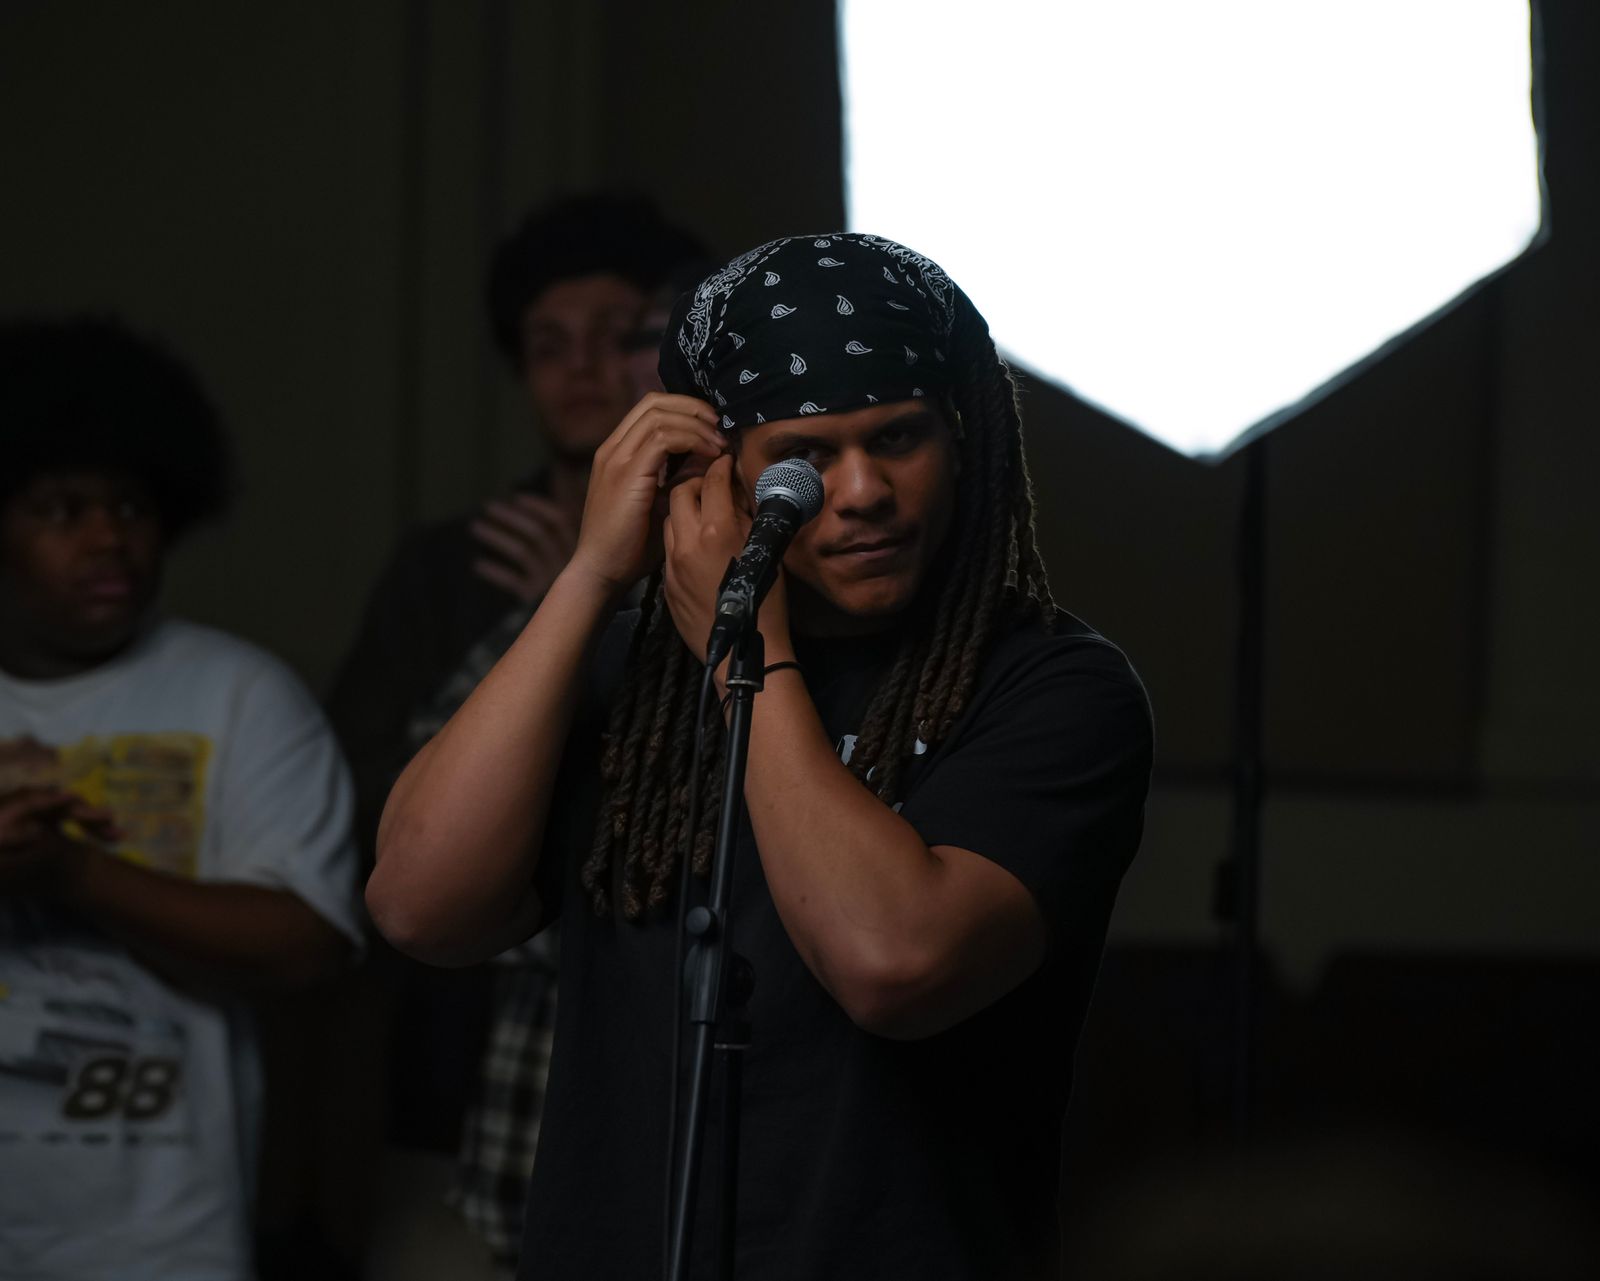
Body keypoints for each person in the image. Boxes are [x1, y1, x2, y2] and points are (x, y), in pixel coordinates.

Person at [367, 233, 1154, 1279]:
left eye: (899, 437)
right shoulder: (630, 671)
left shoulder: (1053, 686)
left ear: (962, 440)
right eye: (805, 456)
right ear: (718, 473)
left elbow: (892, 964)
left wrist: (751, 654)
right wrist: (593, 573)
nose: (863, 490)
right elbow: (419, 907)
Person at [328, 193, 708, 1276]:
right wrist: (563, 615)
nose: (585, 369)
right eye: (550, 345)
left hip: (658, 1077)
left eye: (617, 335)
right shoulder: (452, 568)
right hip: (466, 1073)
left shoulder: (725, 549)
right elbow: (367, 804)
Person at [0, 317, 361, 1279]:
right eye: (59, 510)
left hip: (160, 1242)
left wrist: (72, 872)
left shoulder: (241, 695)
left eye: (131, 506)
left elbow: (307, 945)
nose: (108, 539)